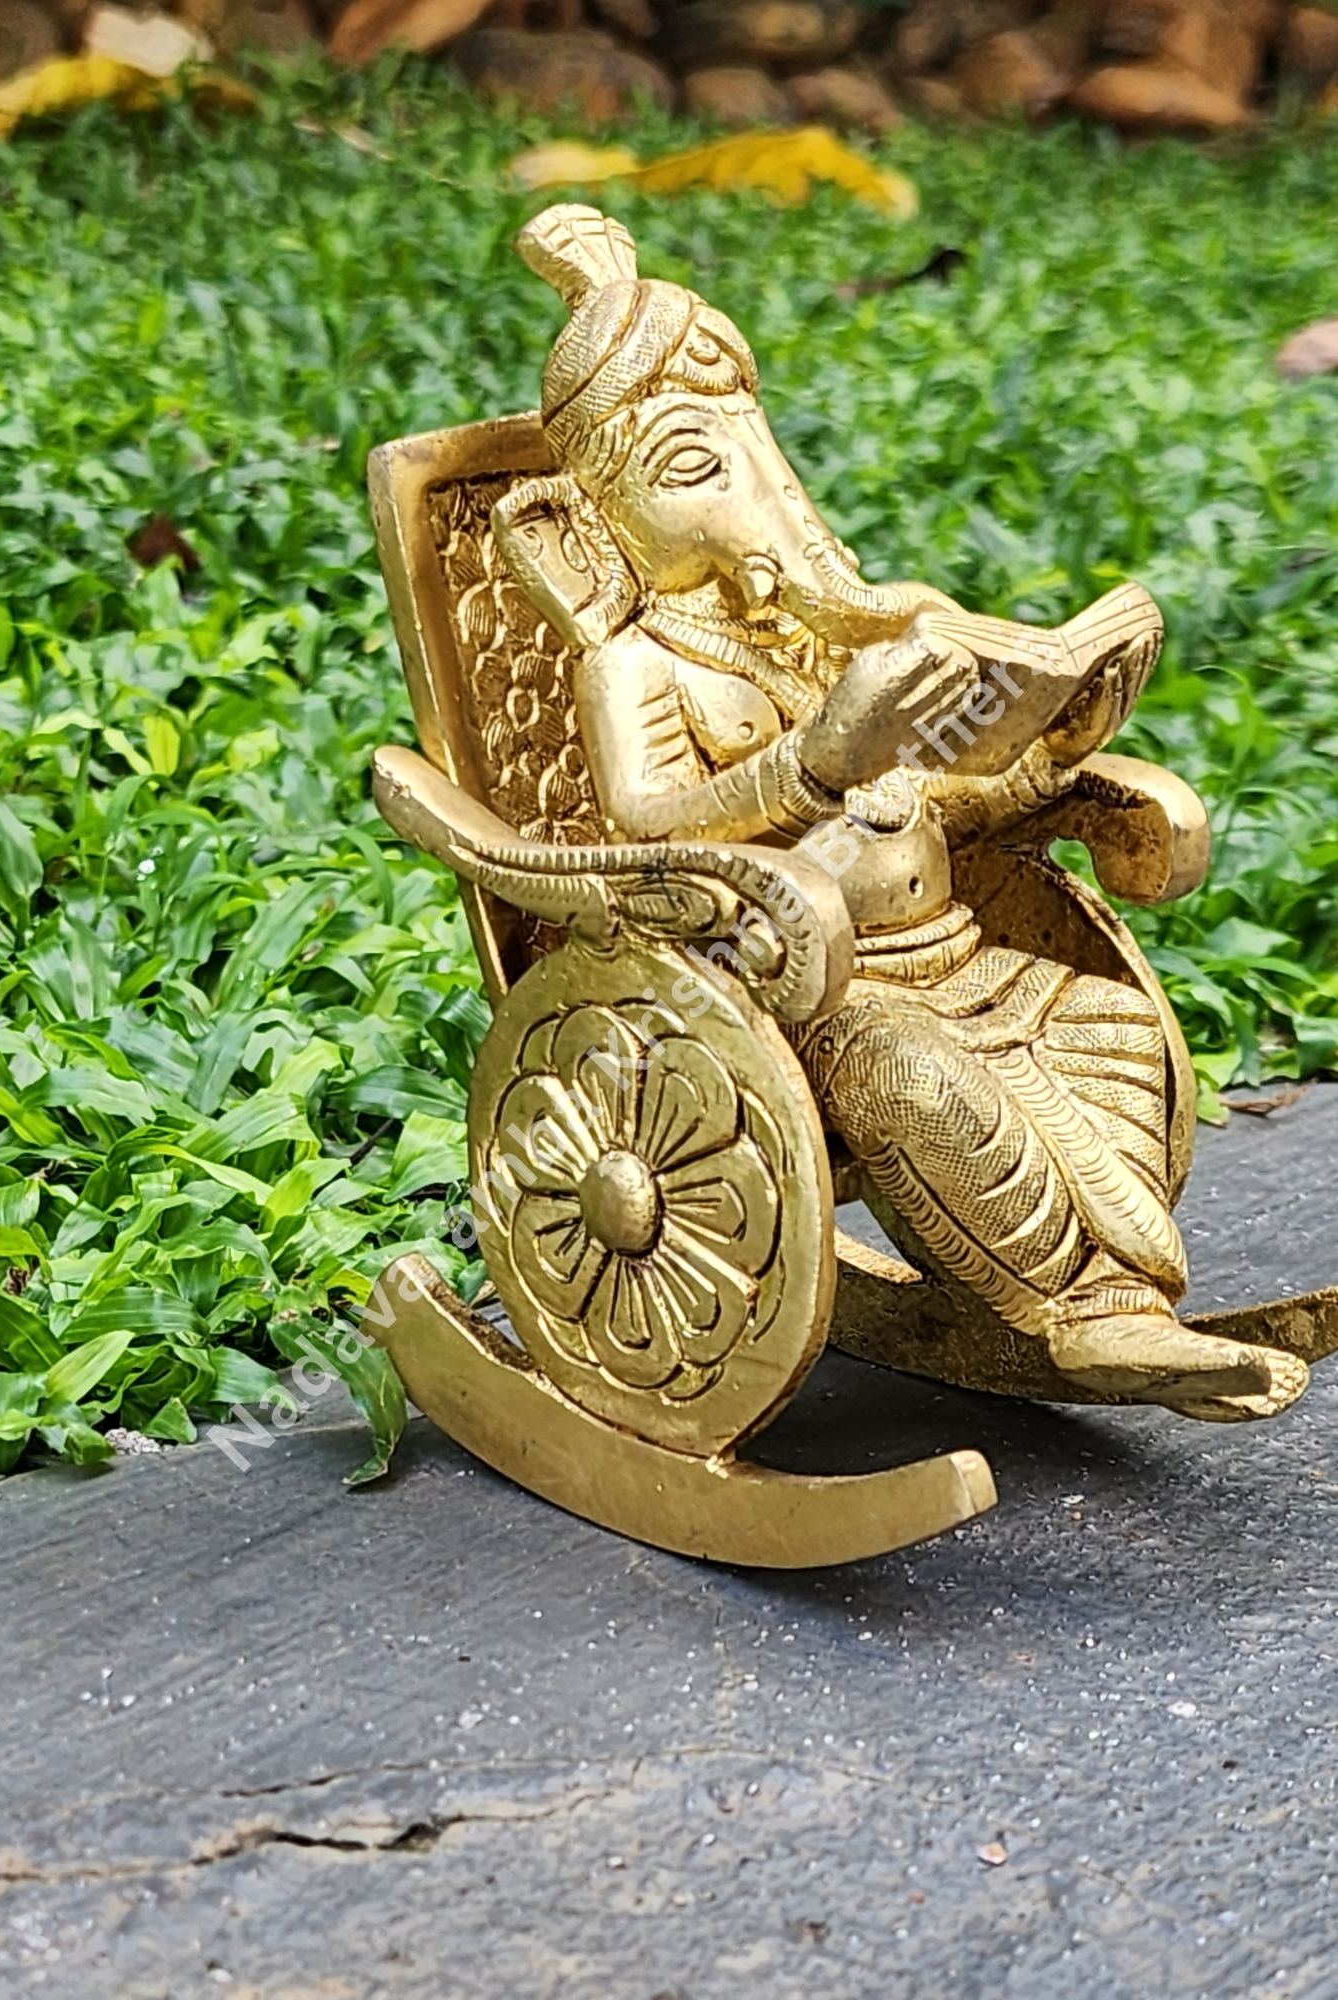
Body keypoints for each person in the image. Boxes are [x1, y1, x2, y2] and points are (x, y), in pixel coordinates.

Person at [492, 203, 1305, 1421]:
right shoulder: (638, 665)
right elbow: (648, 824)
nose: (760, 497)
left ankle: (1117, 1294)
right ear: (589, 523)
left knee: (1106, 1027)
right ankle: (1088, 1310)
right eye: (691, 471)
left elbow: (929, 793)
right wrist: (811, 764)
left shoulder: (826, 637)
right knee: (921, 1086)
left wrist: (1049, 746)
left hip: (958, 952)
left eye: (755, 452)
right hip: (803, 991)